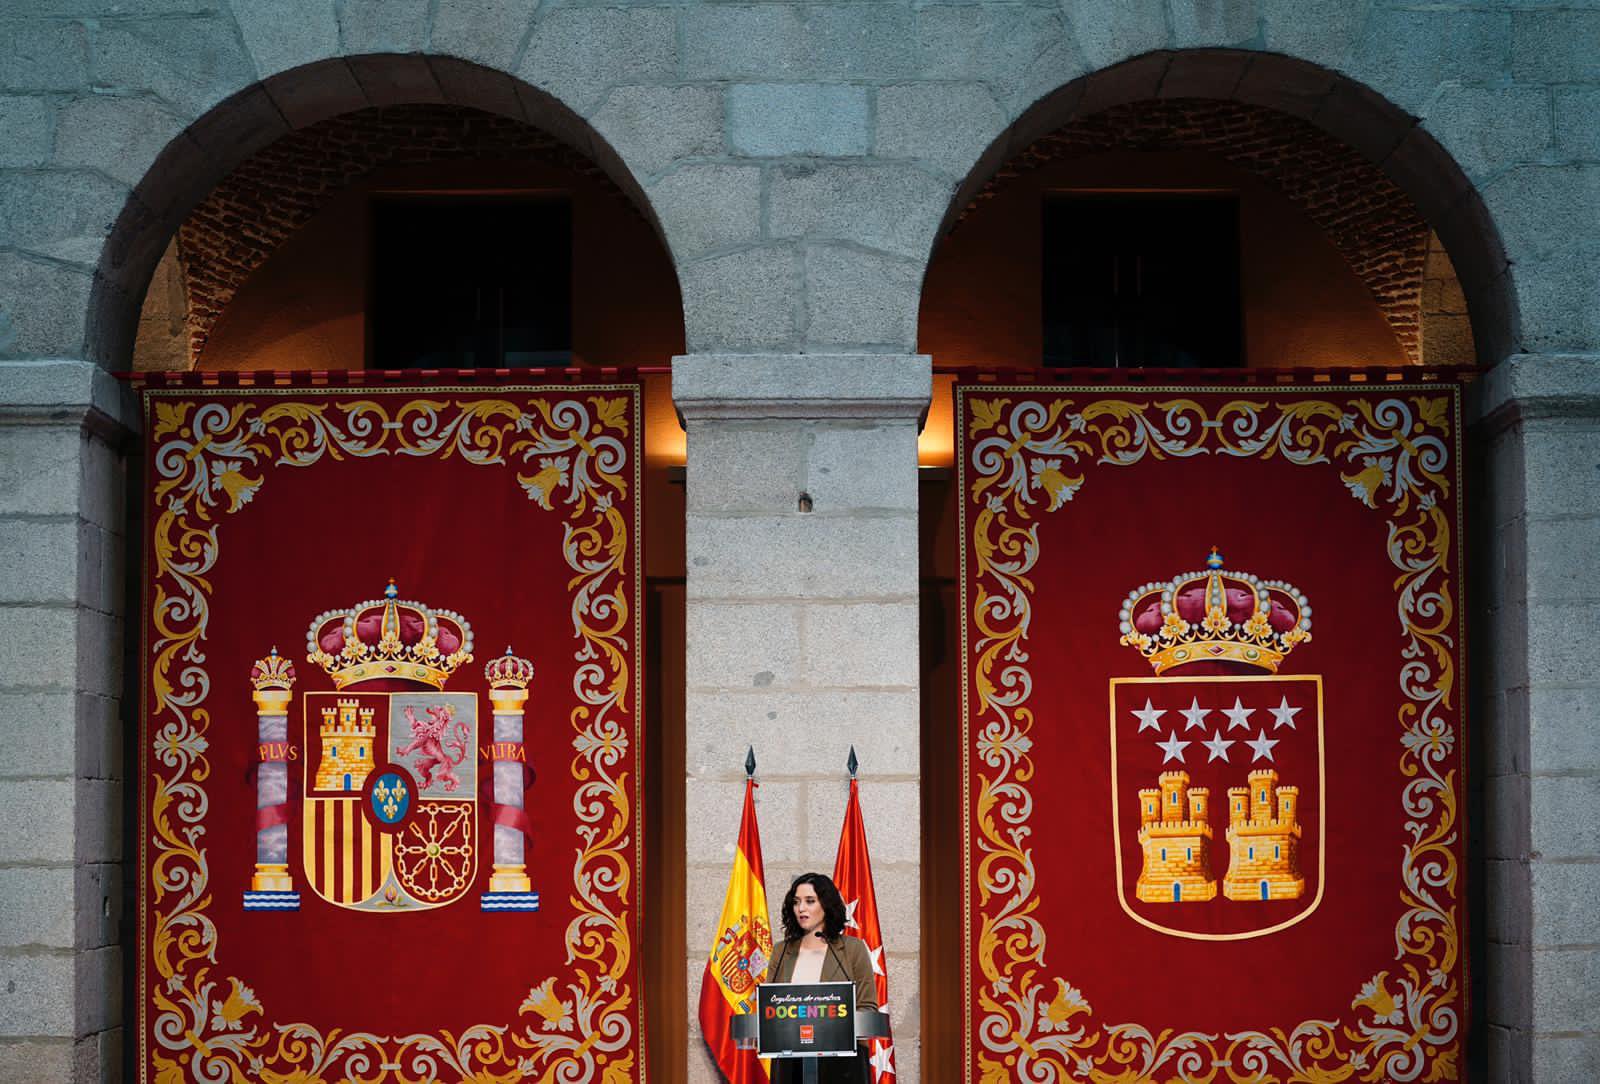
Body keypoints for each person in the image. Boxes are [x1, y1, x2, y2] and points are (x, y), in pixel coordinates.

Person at [763, 872, 877, 1084]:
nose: (801, 909)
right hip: (790, 1064)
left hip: (842, 1067)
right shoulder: (782, 951)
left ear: (826, 905)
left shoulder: (852, 949)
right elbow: (768, 1009)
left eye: (810, 901)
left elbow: (867, 1007)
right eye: (796, 902)